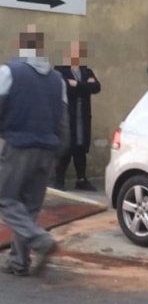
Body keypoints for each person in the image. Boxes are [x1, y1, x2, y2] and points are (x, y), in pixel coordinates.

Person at [0, 27, 68, 276]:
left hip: (19, 147)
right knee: (28, 208)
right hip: (47, 150)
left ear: (20, 46)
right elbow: (63, 120)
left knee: (5, 199)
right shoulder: (57, 79)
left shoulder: (9, 71)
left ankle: (40, 240)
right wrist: (58, 151)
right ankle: (19, 262)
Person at [54, 40, 101, 191]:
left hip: (83, 116)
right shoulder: (60, 70)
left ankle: (81, 179)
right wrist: (85, 87)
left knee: (81, 147)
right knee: (67, 147)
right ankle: (59, 179)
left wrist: (79, 85)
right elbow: (66, 89)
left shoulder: (86, 70)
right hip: (69, 116)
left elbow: (96, 87)